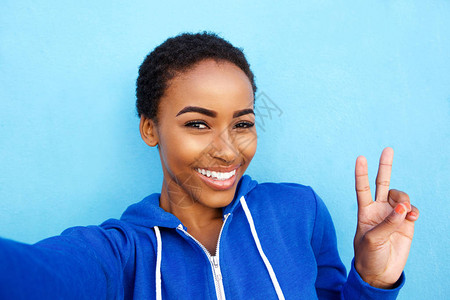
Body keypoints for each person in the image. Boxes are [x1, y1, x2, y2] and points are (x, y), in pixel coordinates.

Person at [0, 32, 419, 299]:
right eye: (198, 123)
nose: (228, 151)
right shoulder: (120, 253)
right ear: (150, 128)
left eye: (242, 123)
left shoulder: (301, 210)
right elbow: (39, 275)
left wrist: (373, 280)